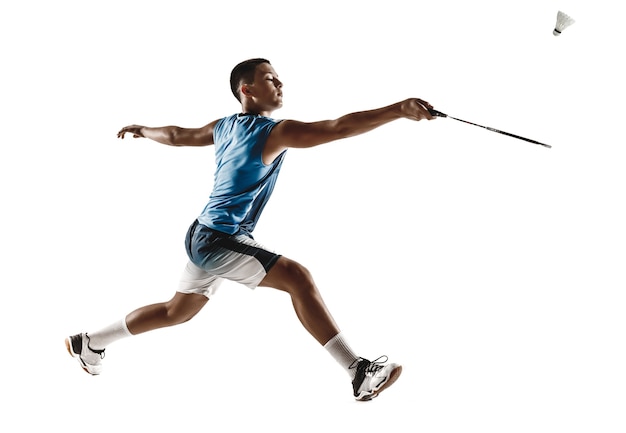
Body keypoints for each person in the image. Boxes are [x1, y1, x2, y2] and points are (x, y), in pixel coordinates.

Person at [65, 58, 435, 401]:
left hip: (205, 234)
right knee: (297, 278)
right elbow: (337, 128)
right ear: (247, 89)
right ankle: (358, 372)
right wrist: (399, 110)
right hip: (217, 239)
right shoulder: (275, 132)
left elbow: (178, 135)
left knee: (176, 312)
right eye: (270, 78)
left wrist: (143, 130)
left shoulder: (224, 126)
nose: (280, 83)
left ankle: (91, 342)